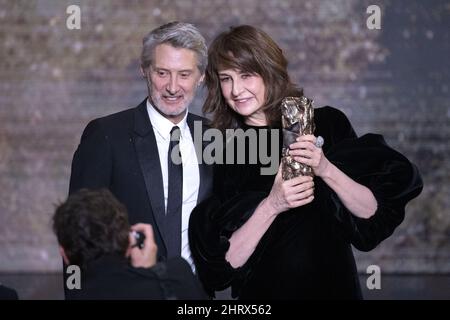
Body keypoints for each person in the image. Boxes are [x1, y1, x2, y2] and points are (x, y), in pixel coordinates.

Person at [188, 25, 423, 299]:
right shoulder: (228, 150)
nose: (236, 90)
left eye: (246, 75)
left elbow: (373, 216)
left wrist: (325, 169)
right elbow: (223, 268)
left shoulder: (325, 123)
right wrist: (272, 205)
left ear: (269, 71)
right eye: (226, 79)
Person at [69, 21, 213, 273]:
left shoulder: (215, 137)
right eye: (162, 72)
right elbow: (77, 232)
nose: (172, 87)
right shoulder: (106, 135)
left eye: (184, 74)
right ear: (144, 70)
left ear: (200, 77)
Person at [53, 188, 206, 299]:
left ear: (64, 254)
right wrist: (153, 272)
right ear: (128, 240)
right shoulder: (179, 277)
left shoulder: (80, 295)